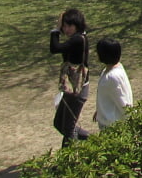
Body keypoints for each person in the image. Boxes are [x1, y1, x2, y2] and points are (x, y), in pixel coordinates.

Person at [49, 8, 90, 146]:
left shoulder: (78, 39)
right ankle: (94, 140)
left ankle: (68, 163)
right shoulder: (76, 37)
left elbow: (55, 48)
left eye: (69, 26)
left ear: (77, 25)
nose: (66, 29)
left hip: (77, 89)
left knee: (68, 129)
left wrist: (55, 30)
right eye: (64, 26)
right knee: (59, 123)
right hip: (71, 87)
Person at [92, 38, 133, 130]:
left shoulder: (112, 77)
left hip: (112, 124)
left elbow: (122, 102)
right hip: (106, 120)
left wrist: (131, 120)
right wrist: (99, 110)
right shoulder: (108, 71)